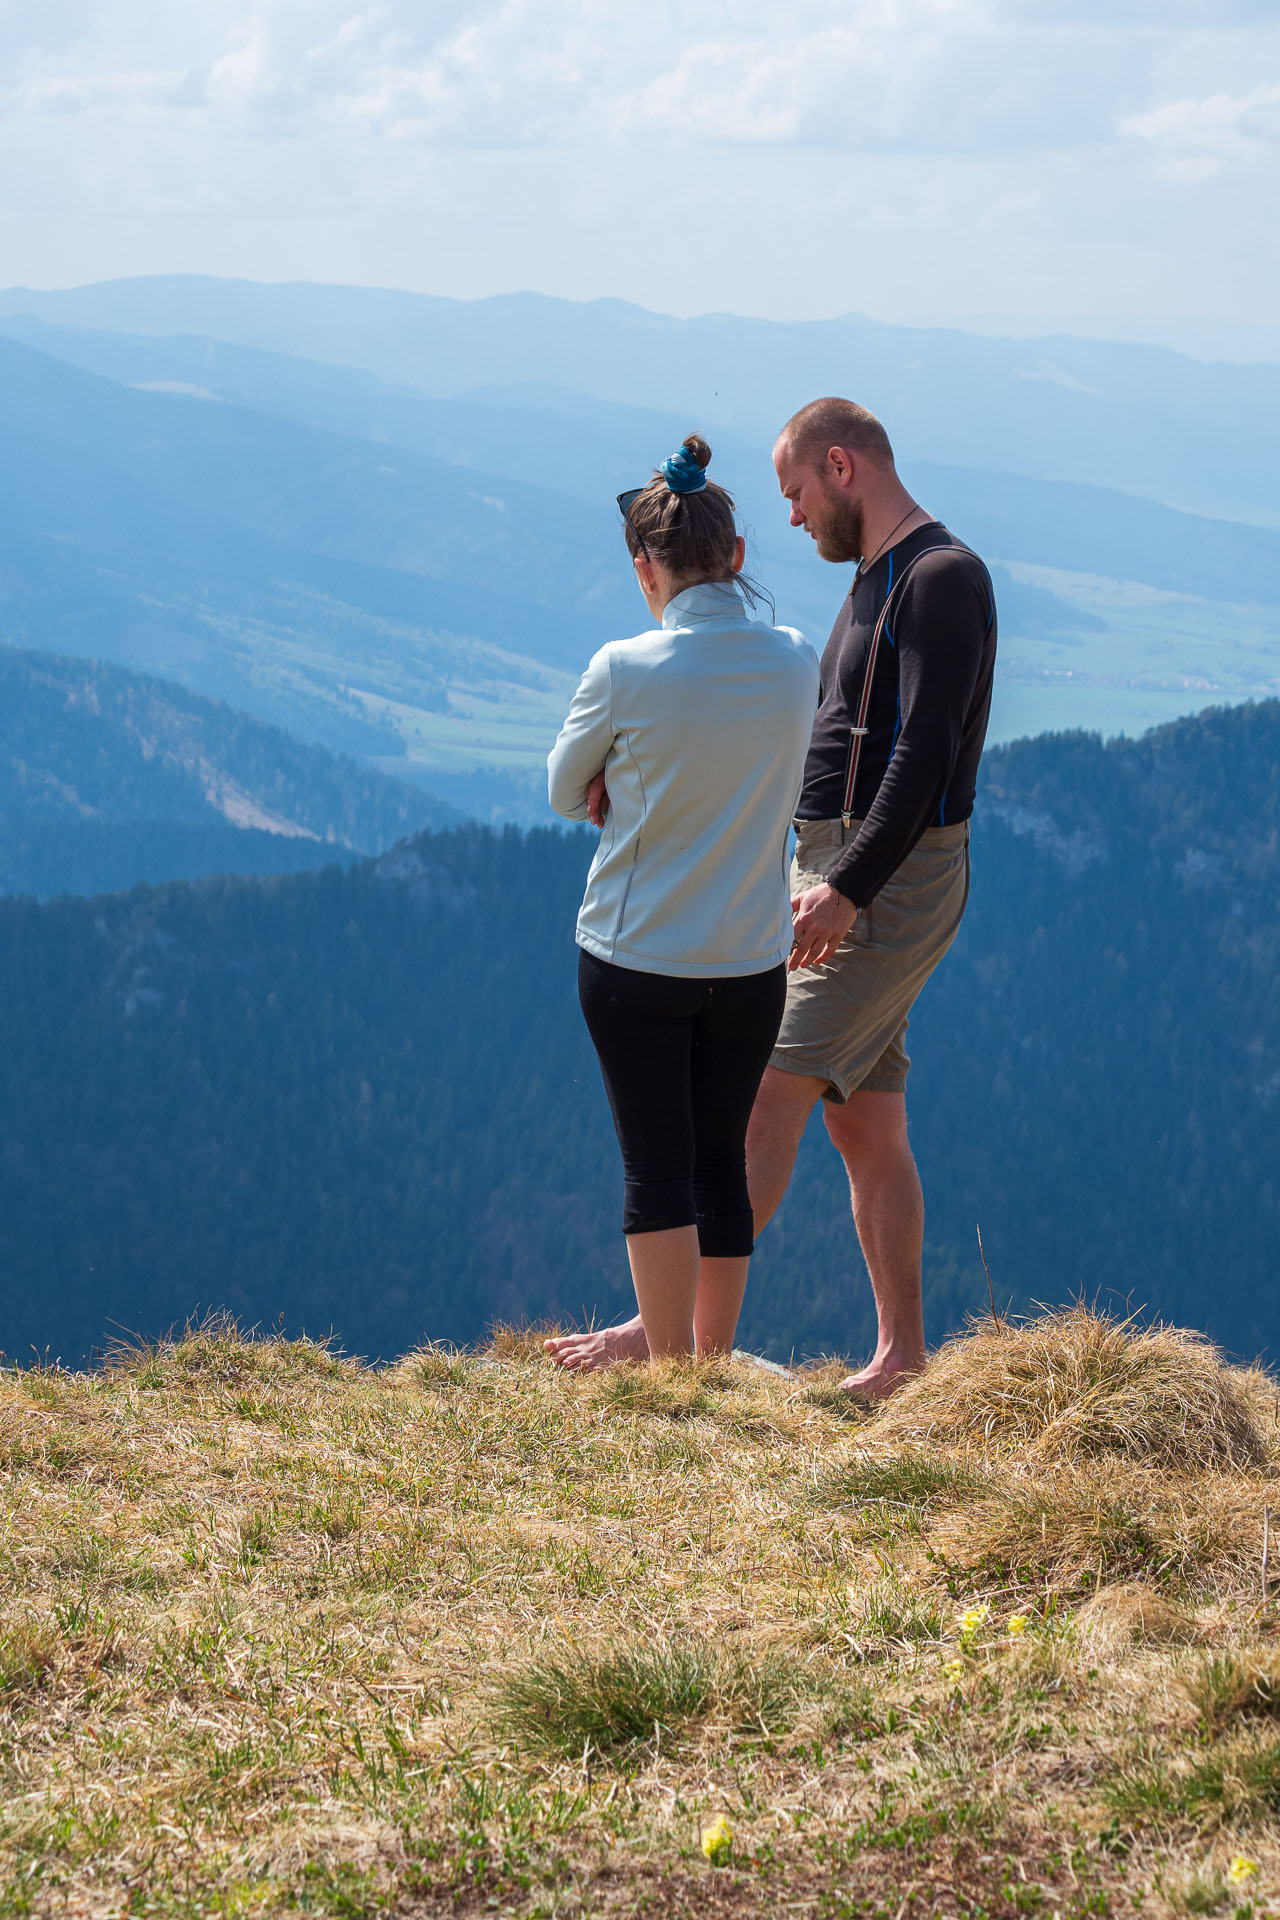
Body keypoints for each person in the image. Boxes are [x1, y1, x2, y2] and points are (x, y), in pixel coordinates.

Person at [547, 399, 997, 1395]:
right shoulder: (880, 578)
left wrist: (843, 889)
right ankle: (900, 1358)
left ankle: (673, 1344)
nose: (791, 518)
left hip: (881, 879)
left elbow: (921, 753)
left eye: (795, 492)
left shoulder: (938, 579)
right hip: (850, 869)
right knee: (866, 1124)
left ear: (841, 468)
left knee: (763, 1100)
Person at [544, 435, 819, 1365]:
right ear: (737, 555)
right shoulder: (796, 659)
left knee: (655, 1168)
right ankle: (710, 1360)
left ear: (644, 567)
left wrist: (612, 782)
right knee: (721, 1169)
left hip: (634, 956)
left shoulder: (623, 667)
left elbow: (560, 787)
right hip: (750, 960)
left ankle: (666, 1376)